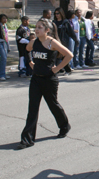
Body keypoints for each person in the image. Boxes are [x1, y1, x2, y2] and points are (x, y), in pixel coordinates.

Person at [17, 18, 72, 150]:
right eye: (36, 27)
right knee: (33, 108)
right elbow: (27, 50)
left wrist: (57, 69)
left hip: (49, 80)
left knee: (53, 105)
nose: (36, 29)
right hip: (36, 79)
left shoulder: (52, 43)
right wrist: (30, 63)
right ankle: (27, 139)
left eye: (40, 27)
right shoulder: (34, 42)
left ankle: (64, 126)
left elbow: (69, 55)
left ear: (47, 30)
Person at [53, 8, 77, 74]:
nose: (56, 15)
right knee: (56, 56)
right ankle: (57, 70)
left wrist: (75, 40)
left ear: (61, 13)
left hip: (63, 41)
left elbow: (71, 32)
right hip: (55, 41)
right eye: (55, 13)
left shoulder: (65, 22)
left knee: (63, 56)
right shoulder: (54, 22)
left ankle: (67, 69)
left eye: (58, 13)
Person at [0, 14, 10, 81]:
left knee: (5, 58)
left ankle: (3, 73)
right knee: (3, 57)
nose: (5, 20)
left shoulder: (5, 26)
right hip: (0, 42)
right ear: (0, 19)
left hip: (5, 43)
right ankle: (1, 75)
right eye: (3, 18)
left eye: (6, 18)